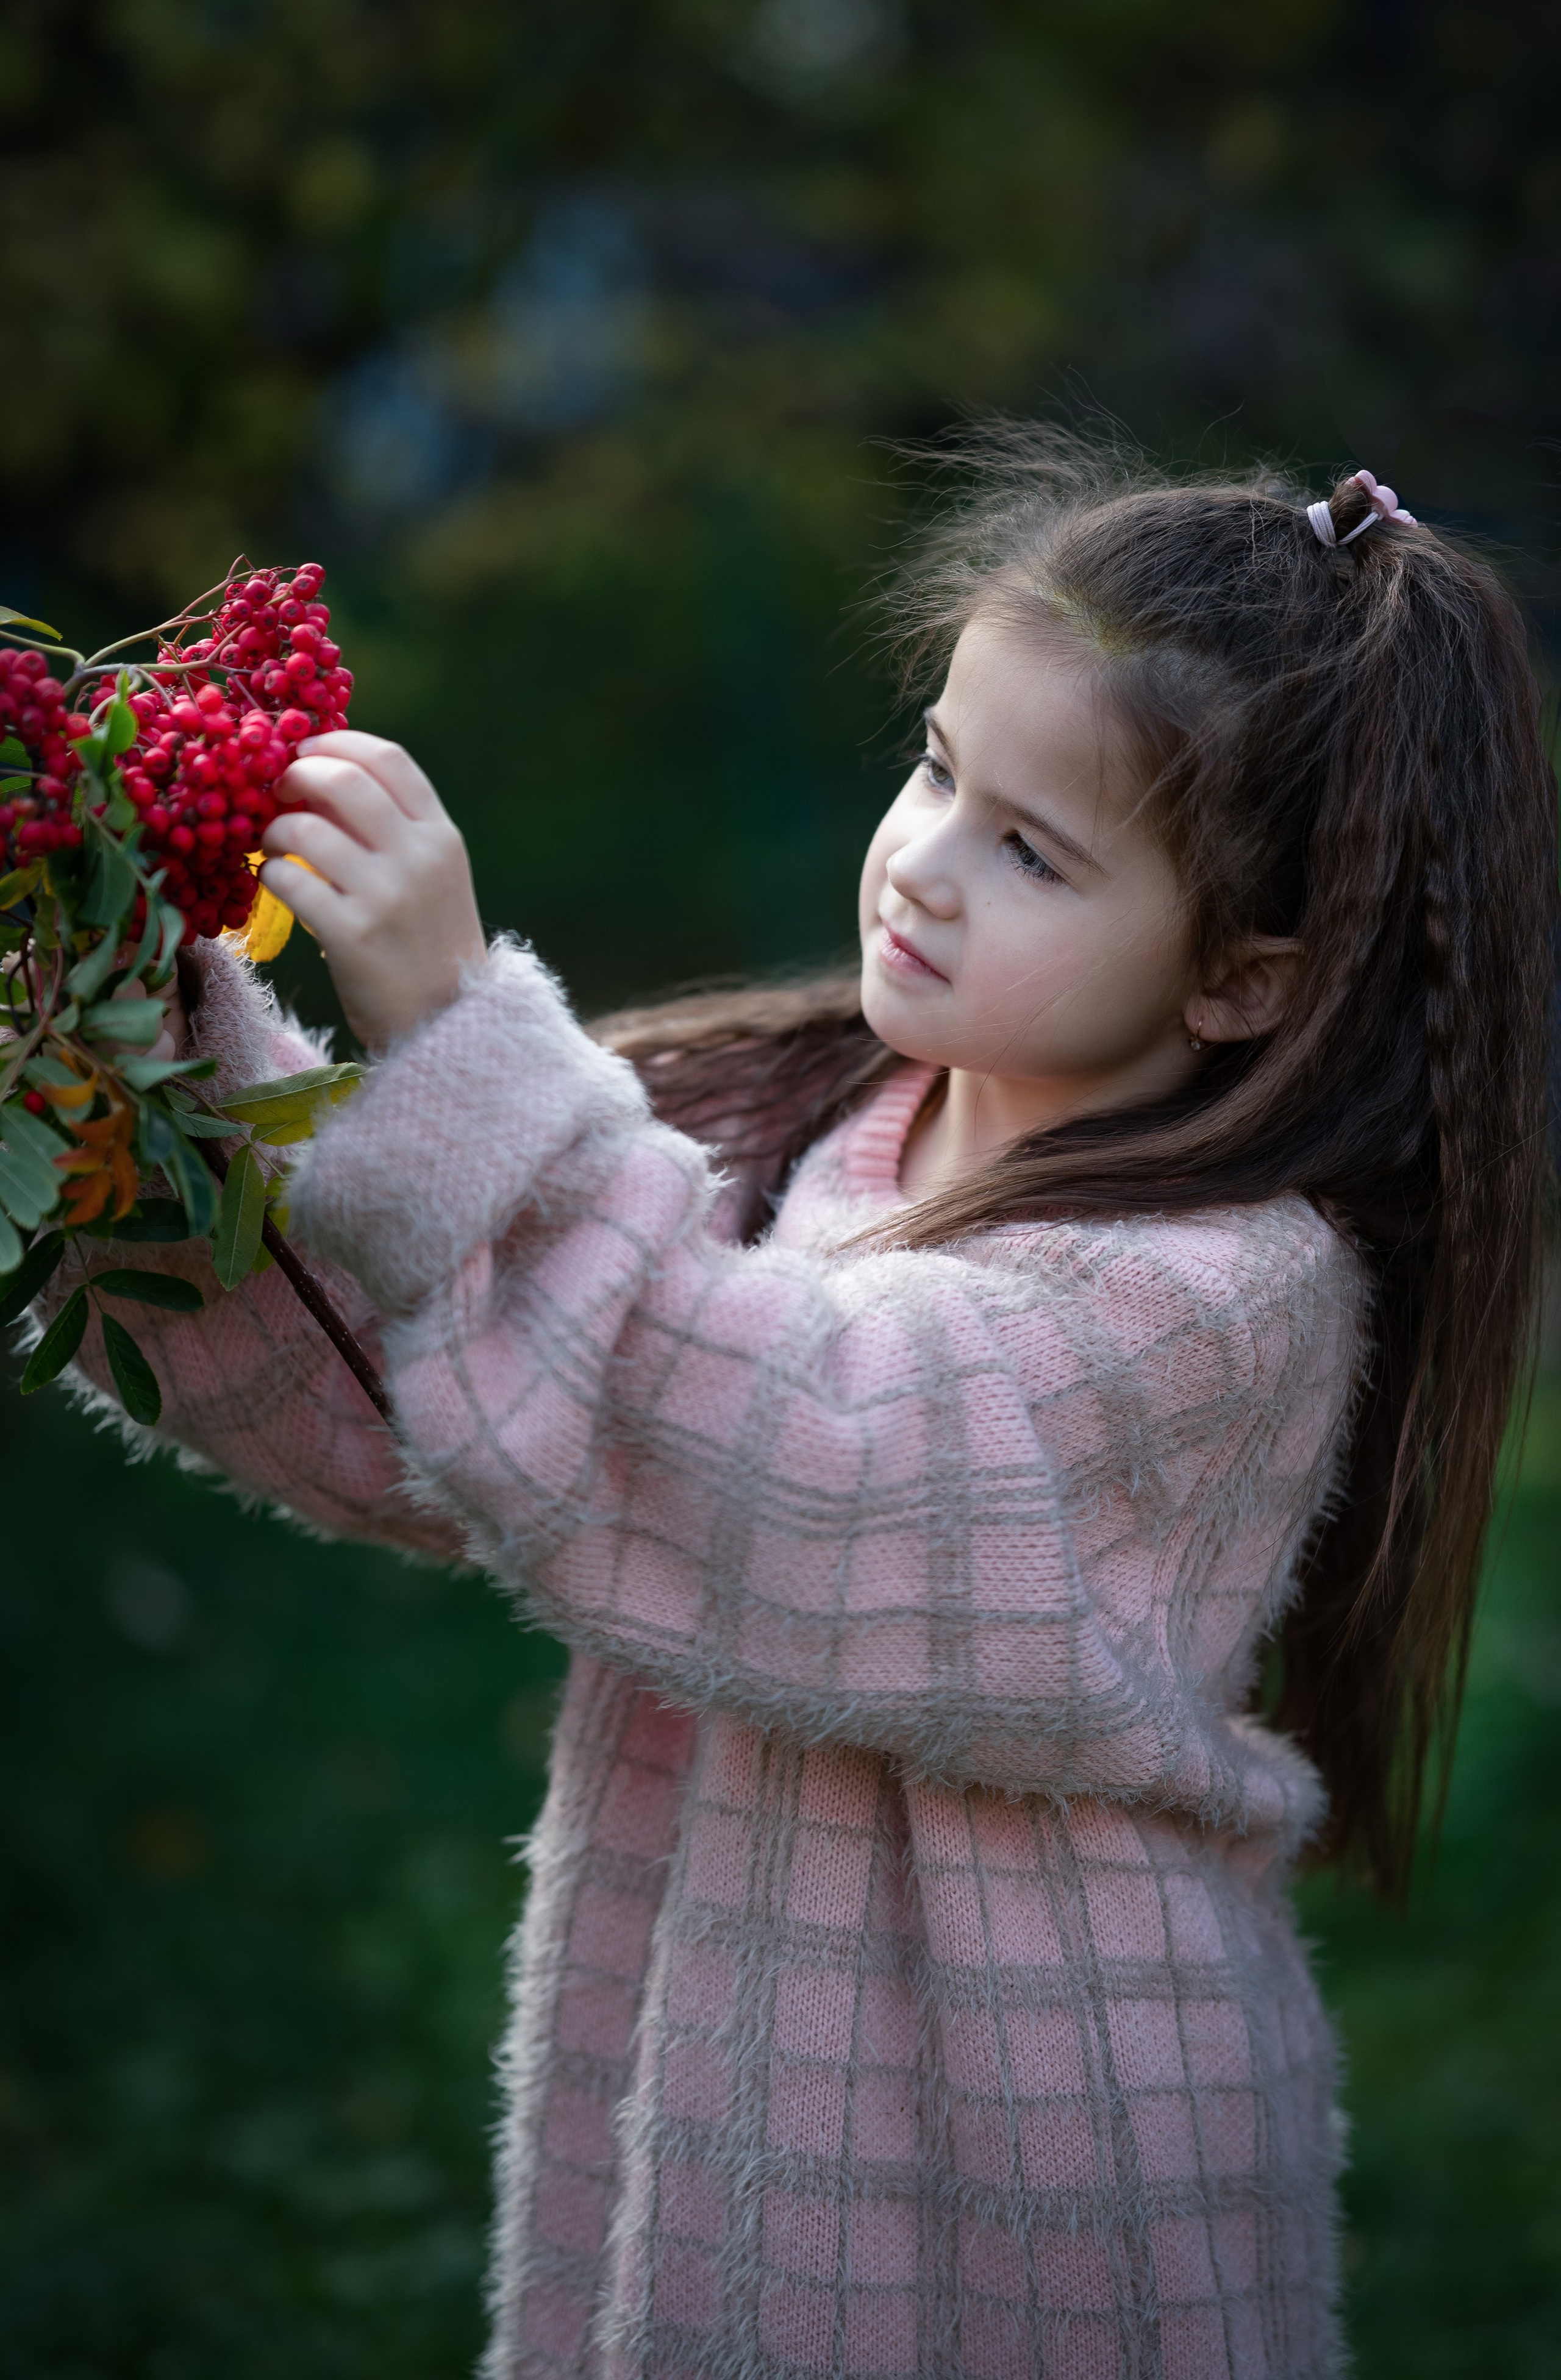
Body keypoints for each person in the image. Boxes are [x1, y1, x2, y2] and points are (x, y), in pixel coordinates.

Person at [46, 438, 1557, 2378]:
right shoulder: (822, 1122)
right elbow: (420, 1367)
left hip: (1038, 2163)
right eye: (940, 765)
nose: (924, 859)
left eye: (1035, 847)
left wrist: (457, 1026)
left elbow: (800, 1449)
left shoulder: (1225, 1290)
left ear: (1245, 984)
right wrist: (123, 1045)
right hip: (723, 2103)